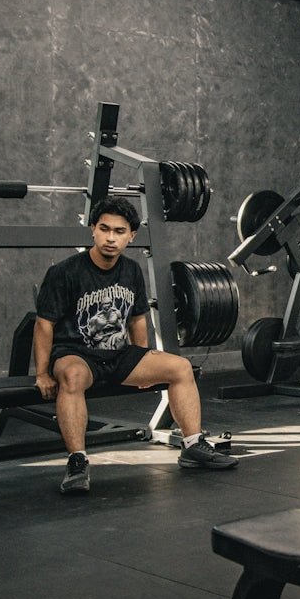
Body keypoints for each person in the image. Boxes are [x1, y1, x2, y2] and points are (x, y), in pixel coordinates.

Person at [34, 196, 237, 494]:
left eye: (119, 231)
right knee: (73, 376)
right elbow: (44, 325)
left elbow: (138, 319)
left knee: (180, 367)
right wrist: (42, 373)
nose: (111, 238)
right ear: (93, 229)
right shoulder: (64, 272)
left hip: (118, 355)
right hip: (77, 355)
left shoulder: (131, 270)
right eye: (104, 229)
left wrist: (140, 357)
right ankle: (77, 461)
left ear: (131, 236)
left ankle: (192, 446)